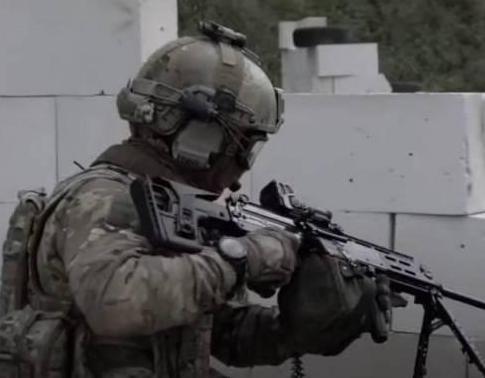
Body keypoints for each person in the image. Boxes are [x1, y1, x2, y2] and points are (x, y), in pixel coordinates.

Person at [26, 22, 401, 377]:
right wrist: (244, 257)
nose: (240, 172)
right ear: (200, 137)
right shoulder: (101, 196)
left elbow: (225, 334)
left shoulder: (174, 209)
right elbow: (115, 303)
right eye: (244, 148)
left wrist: (301, 327)